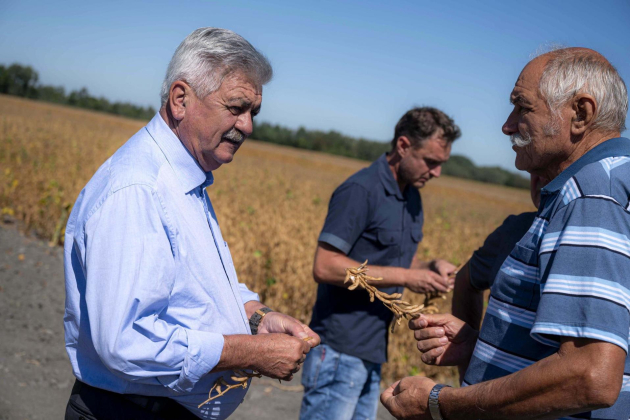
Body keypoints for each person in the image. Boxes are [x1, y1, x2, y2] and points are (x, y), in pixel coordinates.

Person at [63, 28, 320, 420]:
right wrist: (249, 351)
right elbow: (124, 343)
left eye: (254, 112)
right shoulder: (138, 190)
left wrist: (256, 317)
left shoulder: (184, 176)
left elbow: (190, 284)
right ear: (180, 99)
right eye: (236, 107)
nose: (248, 126)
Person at [381, 47, 630, 420]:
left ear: (581, 113)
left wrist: (439, 403)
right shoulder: (611, 182)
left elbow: (590, 375)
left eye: (523, 107)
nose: (508, 125)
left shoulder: (592, 193)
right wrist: (482, 346)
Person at [300, 107, 461, 420]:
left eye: (442, 164)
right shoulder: (360, 190)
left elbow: (396, 259)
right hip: (338, 349)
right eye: (431, 161)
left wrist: (430, 267)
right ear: (403, 146)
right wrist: (405, 276)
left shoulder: (412, 196)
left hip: (373, 349)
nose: (437, 172)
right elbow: (325, 265)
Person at [451, 174, 546, 377]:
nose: (538, 179)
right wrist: (468, 357)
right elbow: (465, 281)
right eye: (535, 171)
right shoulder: (514, 230)